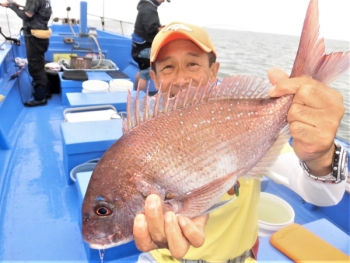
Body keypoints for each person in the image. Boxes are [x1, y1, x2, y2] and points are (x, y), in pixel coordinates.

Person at [132, 21, 348, 262]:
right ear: (154, 77)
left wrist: (320, 157)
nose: (181, 78)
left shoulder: (241, 124)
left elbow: (322, 197)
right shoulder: (141, 141)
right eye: (168, 67)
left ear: (214, 71)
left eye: (192, 63)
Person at [1, 0, 52, 107]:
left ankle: (40, 98)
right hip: (42, 36)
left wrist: (11, 6)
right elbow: (37, 12)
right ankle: (45, 92)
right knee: (39, 64)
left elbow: (27, 16)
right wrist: (17, 6)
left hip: (35, 38)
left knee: (35, 67)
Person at [131, 0, 170, 91]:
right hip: (145, 48)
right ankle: (139, 98)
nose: (163, 1)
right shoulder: (150, 9)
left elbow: (149, 26)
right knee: (144, 74)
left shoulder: (145, 6)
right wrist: (164, 30)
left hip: (138, 48)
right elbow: (151, 30)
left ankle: (136, 92)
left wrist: (160, 27)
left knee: (142, 71)